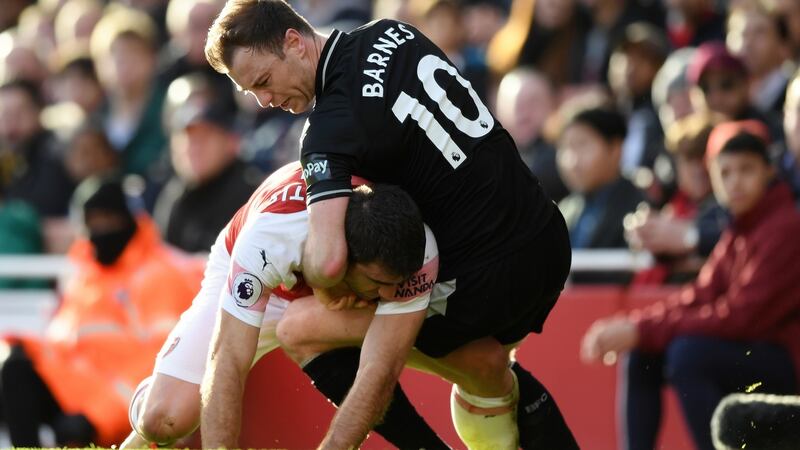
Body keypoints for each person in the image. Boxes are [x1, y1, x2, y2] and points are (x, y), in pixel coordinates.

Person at [205, 1, 577, 449]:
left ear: (294, 43)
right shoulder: (392, 32)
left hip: (485, 283)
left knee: (301, 327)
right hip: (549, 241)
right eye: (251, 93)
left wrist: (328, 287)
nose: (264, 100)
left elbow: (327, 261)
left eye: (263, 81)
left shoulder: (327, 132)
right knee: (482, 365)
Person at [121, 161, 451, 449]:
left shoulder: (418, 249)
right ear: (341, 260)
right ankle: (153, 397)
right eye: (379, 284)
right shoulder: (270, 238)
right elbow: (229, 357)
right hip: (262, 276)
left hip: (316, 286)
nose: (392, 295)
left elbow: (379, 373)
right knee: (163, 419)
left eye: (397, 284)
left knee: (475, 358)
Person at [581, 120, 800, 450]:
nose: (735, 182)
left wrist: (642, 329)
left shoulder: (784, 226)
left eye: (746, 170)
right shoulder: (741, 227)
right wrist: (638, 327)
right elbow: (699, 296)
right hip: (755, 350)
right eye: (725, 173)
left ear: (769, 172)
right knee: (643, 353)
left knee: (688, 354)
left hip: (786, 361)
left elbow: (740, 316)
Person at [0, 176, 203, 447]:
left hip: (123, 408)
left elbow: (159, 364)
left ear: (129, 218)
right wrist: (23, 347)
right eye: (93, 221)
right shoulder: (87, 272)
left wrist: (97, 416)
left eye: (109, 218)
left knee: (69, 429)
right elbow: (65, 342)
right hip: (80, 391)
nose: (101, 229)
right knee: (15, 370)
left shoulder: (158, 275)